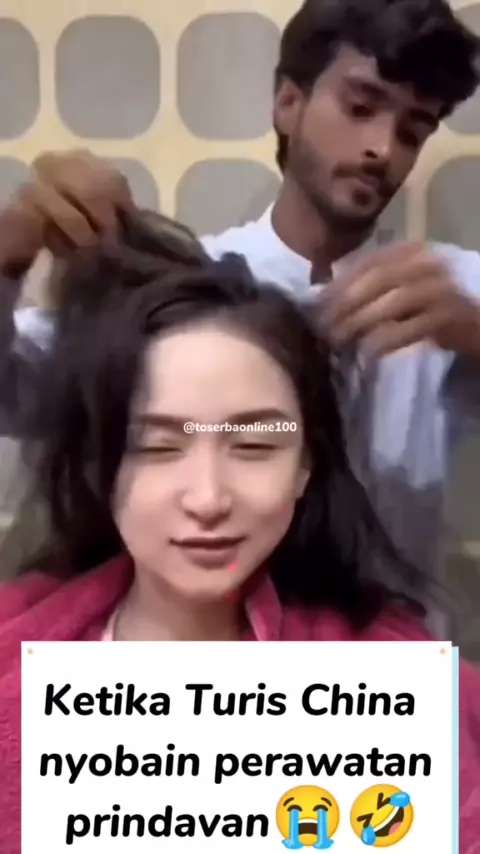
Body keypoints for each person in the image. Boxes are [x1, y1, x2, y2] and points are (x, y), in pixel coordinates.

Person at [0, 212, 479, 854]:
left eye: (255, 445)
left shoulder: (397, 681)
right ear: (97, 464)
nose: (208, 499)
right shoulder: (16, 662)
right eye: (157, 446)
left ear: (306, 464)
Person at [1, 0, 480, 608]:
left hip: (388, 654)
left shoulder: (450, 292)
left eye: (412, 131)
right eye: (360, 108)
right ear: (288, 103)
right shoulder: (183, 287)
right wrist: (8, 255)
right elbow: (13, 391)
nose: (382, 148)